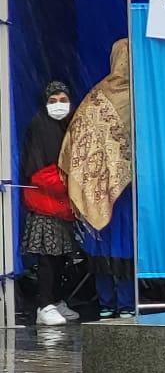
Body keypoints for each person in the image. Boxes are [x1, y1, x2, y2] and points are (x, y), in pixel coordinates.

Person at [62, 42, 135, 318]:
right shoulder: (141, 95)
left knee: (102, 240)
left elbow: (76, 136)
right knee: (122, 245)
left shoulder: (96, 95)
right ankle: (126, 303)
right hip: (126, 190)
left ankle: (107, 302)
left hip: (97, 186)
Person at [20, 79, 79, 326]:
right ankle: (44, 305)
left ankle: (56, 301)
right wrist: (70, 185)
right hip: (45, 202)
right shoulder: (40, 126)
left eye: (63, 100)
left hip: (62, 205)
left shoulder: (68, 126)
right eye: (52, 101)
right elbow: (36, 170)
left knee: (62, 256)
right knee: (47, 256)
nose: (58, 105)